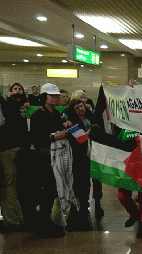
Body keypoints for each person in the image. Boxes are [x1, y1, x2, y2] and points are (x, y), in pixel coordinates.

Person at [30, 83, 73, 238]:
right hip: (45, 156)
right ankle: (44, 222)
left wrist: (68, 126)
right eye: (52, 95)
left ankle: (46, 220)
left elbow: (63, 129)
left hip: (57, 156)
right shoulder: (37, 115)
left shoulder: (56, 114)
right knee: (48, 189)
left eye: (56, 96)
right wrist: (54, 137)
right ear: (44, 97)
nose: (56, 98)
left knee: (53, 188)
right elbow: (36, 138)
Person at [64, 98, 96, 230]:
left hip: (93, 154)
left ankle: (85, 203)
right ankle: (78, 204)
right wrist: (91, 132)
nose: (81, 109)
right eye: (77, 108)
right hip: (79, 156)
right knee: (79, 181)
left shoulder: (92, 117)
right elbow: (81, 139)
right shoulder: (71, 123)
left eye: (82, 106)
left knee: (89, 182)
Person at [0, 93, 28, 231]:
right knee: (9, 185)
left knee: (8, 185)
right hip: (9, 148)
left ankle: (13, 219)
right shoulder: (10, 105)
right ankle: (14, 219)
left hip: (6, 148)